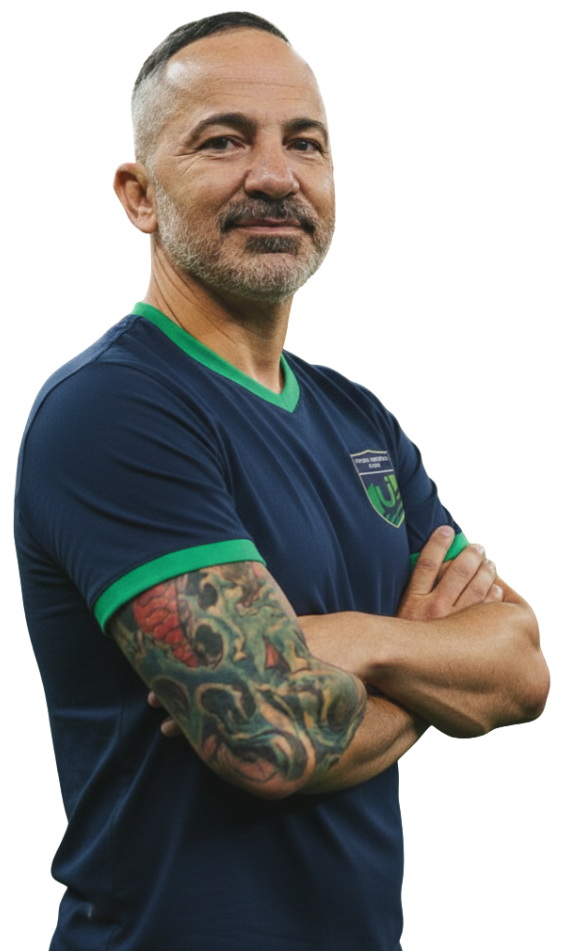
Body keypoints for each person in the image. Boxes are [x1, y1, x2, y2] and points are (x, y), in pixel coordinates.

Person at [13, 12, 549, 952]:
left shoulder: (359, 417)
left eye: (305, 143)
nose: (275, 175)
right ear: (138, 196)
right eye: (224, 141)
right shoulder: (112, 407)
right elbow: (267, 737)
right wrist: (426, 657)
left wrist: (350, 643)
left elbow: (523, 669)